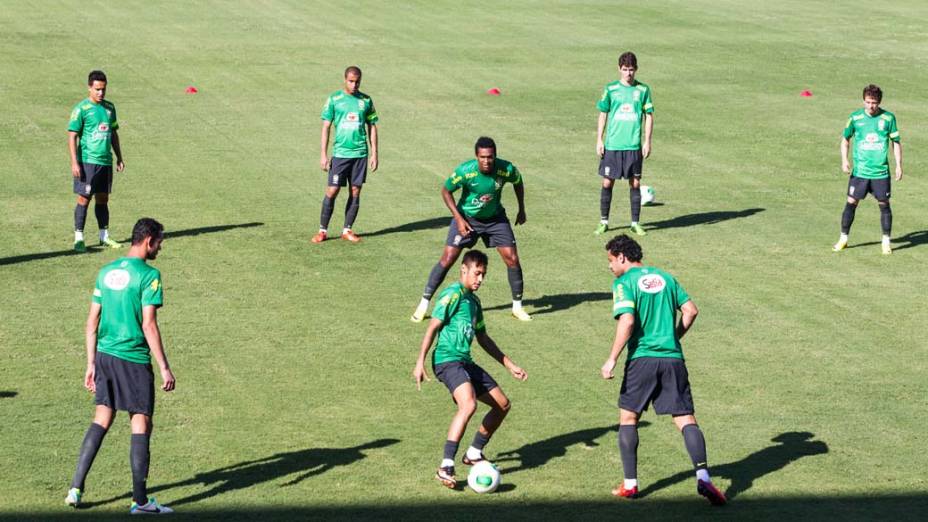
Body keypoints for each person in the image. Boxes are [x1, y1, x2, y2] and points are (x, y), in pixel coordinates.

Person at [599, 234, 725, 505]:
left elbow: (628, 321)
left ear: (622, 257)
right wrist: (674, 337)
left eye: (610, 260)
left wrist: (611, 359)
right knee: (685, 419)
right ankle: (703, 476)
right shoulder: (666, 278)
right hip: (673, 360)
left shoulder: (623, 282)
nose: (609, 266)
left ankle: (630, 484)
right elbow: (691, 311)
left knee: (628, 419)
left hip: (642, 359)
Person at [65, 218, 176, 515]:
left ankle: (75, 488)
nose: (161, 247)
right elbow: (149, 324)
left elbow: (91, 322)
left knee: (102, 417)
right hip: (134, 359)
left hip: (104, 356)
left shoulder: (106, 271)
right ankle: (140, 502)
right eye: (160, 241)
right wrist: (164, 367)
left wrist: (90, 363)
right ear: (148, 240)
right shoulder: (150, 276)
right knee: (141, 421)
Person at [413, 250, 528, 488]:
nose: (480, 279)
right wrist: (419, 362)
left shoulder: (474, 303)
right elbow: (432, 327)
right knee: (469, 404)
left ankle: (474, 452)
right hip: (446, 361)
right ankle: (445, 465)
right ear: (463, 270)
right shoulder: (452, 295)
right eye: (477, 273)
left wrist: (509, 364)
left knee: (502, 404)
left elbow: (483, 338)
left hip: (465, 361)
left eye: (483, 275)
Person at [411, 137, 532, 323]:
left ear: (495, 156)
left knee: (512, 258)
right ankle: (423, 304)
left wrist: (521, 209)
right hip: (467, 219)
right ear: (476, 156)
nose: (486, 161)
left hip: (495, 219)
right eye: (482, 157)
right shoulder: (465, 172)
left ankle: (517, 307)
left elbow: (518, 181)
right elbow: (446, 191)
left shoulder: (505, 169)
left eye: (490, 157)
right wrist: (459, 219)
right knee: (448, 258)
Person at [311, 66, 379, 243]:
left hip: (360, 154)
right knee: (332, 190)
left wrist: (374, 154)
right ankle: (322, 231)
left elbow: (372, 127)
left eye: (357, 82)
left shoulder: (366, 101)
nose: (354, 84)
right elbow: (325, 127)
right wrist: (323, 155)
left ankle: (347, 230)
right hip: (341, 153)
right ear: (345, 79)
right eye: (351, 81)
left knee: (355, 191)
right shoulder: (335, 99)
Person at [834, 84, 903, 254]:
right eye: (868, 102)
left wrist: (899, 165)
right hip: (860, 172)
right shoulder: (855, 118)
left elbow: (895, 142)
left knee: (884, 205)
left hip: (880, 173)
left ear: (879, 102)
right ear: (863, 100)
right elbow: (845, 140)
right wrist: (844, 160)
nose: (871, 106)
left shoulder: (888, 118)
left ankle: (886, 241)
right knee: (851, 203)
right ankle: (843, 238)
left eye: (874, 102)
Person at [594, 52, 653, 237]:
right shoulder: (611, 89)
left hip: (633, 146)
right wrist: (599, 139)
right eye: (625, 69)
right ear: (619, 69)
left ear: (636, 69)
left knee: (635, 183)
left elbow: (649, 116)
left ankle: (635, 223)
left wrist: (647, 141)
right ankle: (604, 222)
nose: (628, 73)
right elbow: (603, 113)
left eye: (631, 70)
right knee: (606, 182)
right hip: (613, 145)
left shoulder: (643, 90)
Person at [68, 70, 125, 252]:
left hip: (105, 161)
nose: (101, 93)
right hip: (87, 162)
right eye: (97, 89)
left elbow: (113, 133)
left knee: (103, 199)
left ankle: (104, 237)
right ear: (89, 88)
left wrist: (119, 157)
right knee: (84, 198)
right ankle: (79, 238)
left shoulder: (110, 108)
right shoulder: (81, 109)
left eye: (103, 89)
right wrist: (74, 162)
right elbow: (72, 136)